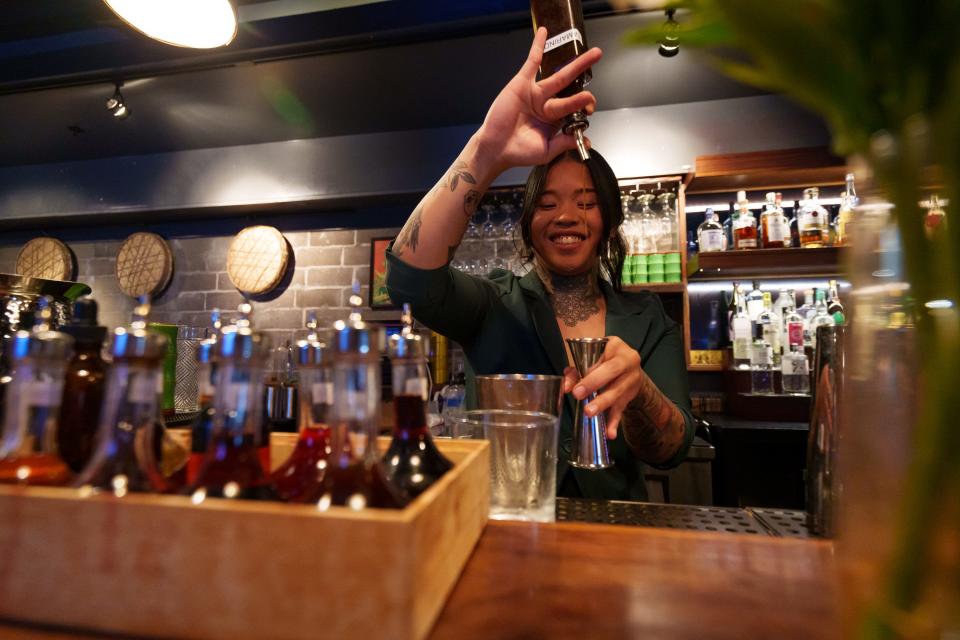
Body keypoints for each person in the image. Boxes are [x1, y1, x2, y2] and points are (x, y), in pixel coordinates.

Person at [385, 28, 694, 500]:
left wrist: (640, 391)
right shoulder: (493, 303)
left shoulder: (649, 319)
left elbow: (671, 449)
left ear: (609, 223)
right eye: (547, 204)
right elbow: (408, 281)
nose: (567, 216)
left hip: (612, 537)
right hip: (504, 525)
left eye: (586, 202)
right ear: (529, 224)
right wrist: (488, 150)